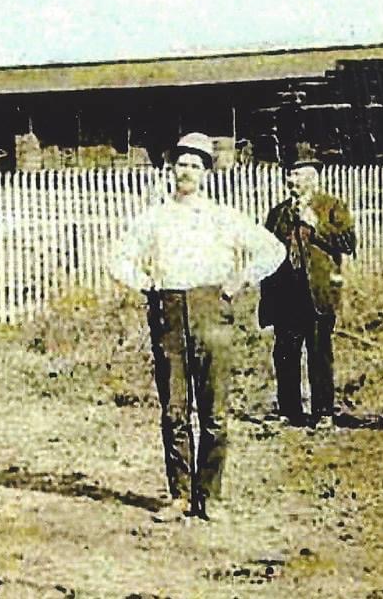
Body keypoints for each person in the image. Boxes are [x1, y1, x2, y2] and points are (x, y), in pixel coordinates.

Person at [110, 133, 286, 524]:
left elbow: (274, 250)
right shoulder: (154, 217)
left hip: (212, 313)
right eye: (181, 164)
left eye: (195, 165)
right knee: (174, 409)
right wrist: (145, 281)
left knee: (214, 411)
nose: (186, 172)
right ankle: (180, 495)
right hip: (169, 313)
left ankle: (211, 496)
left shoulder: (223, 216)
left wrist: (238, 280)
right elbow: (118, 258)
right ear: (171, 170)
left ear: (207, 173)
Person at [256, 143, 357, 428]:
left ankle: (323, 412)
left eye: (297, 174)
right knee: (285, 353)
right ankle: (289, 411)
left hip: (317, 293)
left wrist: (317, 227)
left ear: (313, 177)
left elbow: (348, 243)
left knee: (318, 353)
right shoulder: (277, 214)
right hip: (285, 294)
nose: (291, 180)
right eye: (289, 174)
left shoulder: (331, 207)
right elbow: (267, 253)